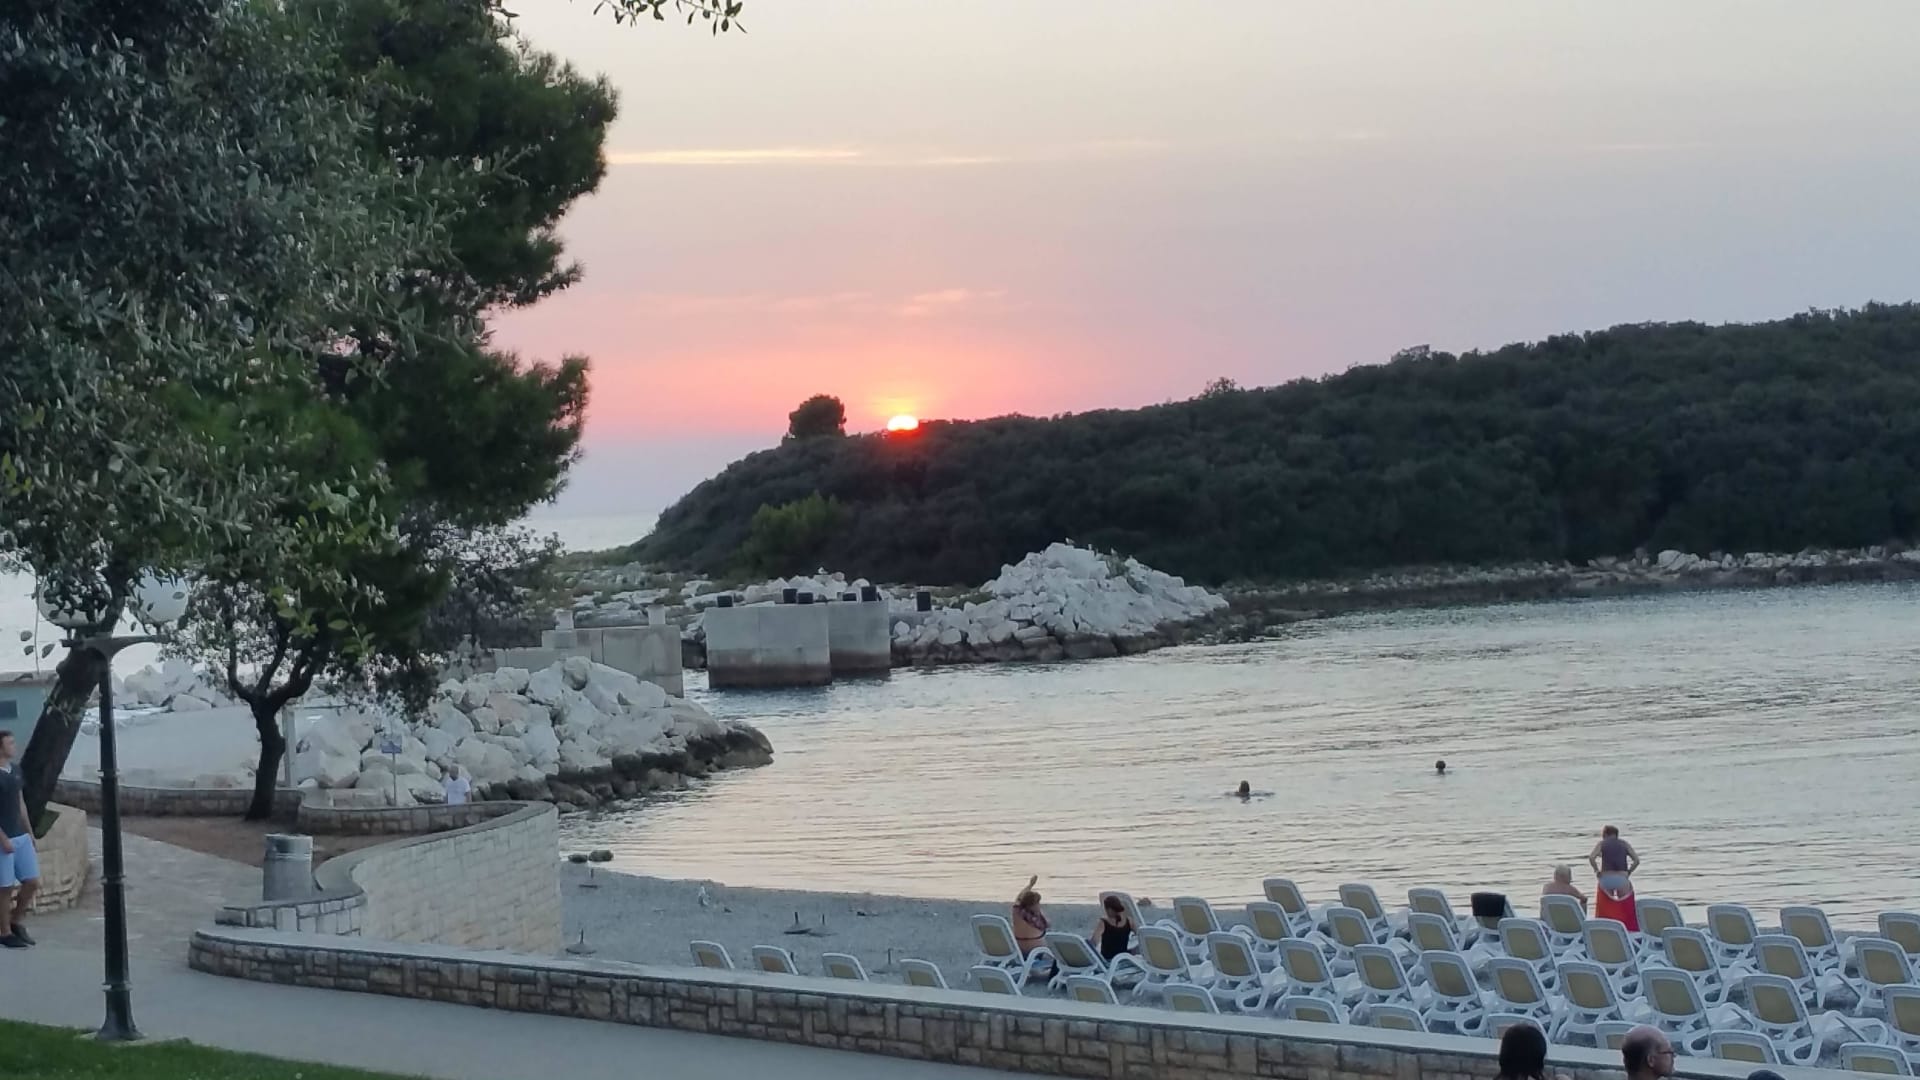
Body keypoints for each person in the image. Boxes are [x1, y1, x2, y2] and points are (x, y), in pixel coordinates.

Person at [0, 731, 39, 949]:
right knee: (5, 888)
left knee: (32, 882)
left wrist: (30, 832)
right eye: (10, 743)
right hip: (3, 838)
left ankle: (16, 921)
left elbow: (20, 803)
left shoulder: (15, 770)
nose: (14, 746)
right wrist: (3, 838)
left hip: (20, 836)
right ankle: (4, 932)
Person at [1587, 825, 1641, 931]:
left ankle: (1604, 929)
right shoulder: (1624, 844)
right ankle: (1628, 930)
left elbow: (1591, 857)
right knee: (1626, 908)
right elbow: (1636, 860)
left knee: (1605, 908)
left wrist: (1596, 871)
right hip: (1622, 879)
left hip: (1606, 878)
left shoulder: (1602, 844)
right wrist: (1629, 872)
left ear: (1605, 834)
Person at [1091, 894, 1138, 962]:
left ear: (1109, 910)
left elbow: (1094, 942)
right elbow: (1140, 936)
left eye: (1105, 909)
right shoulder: (1129, 921)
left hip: (1108, 960)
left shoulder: (1103, 922)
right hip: (1123, 958)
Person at [1011, 875, 1049, 955]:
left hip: (1019, 949)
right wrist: (1039, 912)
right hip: (1035, 951)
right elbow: (1047, 924)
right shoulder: (1035, 919)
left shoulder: (1017, 911)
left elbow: (1019, 897)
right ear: (1034, 904)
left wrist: (1030, 885)